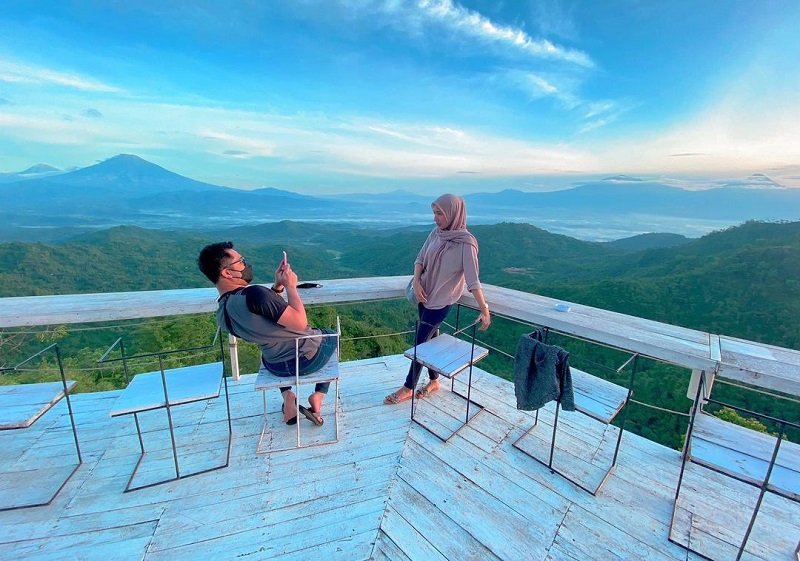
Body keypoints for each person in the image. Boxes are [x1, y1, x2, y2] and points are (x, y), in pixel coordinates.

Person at [198, 242, 336, 426]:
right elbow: (300, 323)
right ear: (226, 272)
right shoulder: (254, 294)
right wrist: (290, 286)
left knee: (272, 347)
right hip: (306, 360)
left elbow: (268, 318)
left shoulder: (224, 313)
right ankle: (318, 395)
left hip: (275, 366)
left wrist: (277, 286)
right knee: (331, 335)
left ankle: (288, 396)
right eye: (241, 262)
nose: (246, 265)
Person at [384, 193, 491, 405]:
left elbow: (473, 281)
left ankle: (408, 387)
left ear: (453, 214)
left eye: (439, 213)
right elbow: (420, 259)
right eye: (434, 213)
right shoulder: (437, 233)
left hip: (442, 301)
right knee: (431, 340)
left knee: (420, 342)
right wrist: (416, 282)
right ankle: (434, 381)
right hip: (423, 296)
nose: (435, 218)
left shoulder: (466, 244)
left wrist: (484, 308)